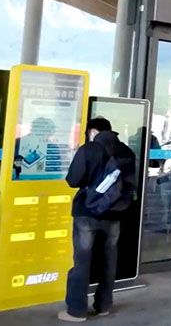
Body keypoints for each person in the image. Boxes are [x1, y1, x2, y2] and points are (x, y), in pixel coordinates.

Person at [59, 119, 137, 322]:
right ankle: (103, 305)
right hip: (114, 214)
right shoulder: (126, 152)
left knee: (82, 261)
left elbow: (72, 180)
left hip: (87, 213)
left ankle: (76, 311)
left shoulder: (89, 149)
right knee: (108, 260)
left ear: (93, 131)